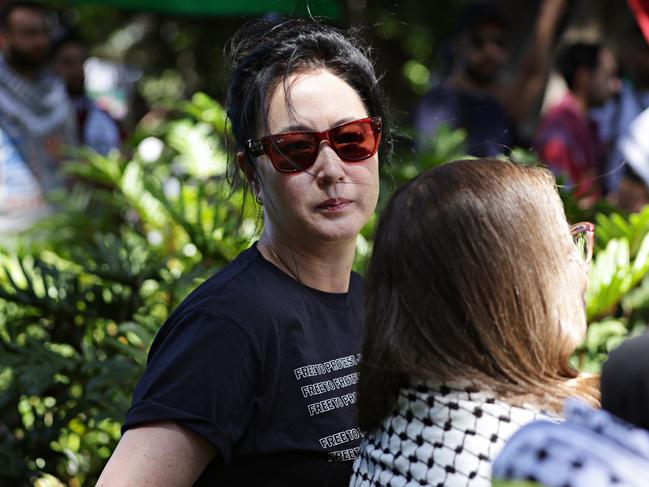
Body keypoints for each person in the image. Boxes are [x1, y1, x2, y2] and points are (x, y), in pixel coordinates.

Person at [97, 18, 390, 487]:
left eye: (351, 138)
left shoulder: (372, 302)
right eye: (295, 149)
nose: (331, 168)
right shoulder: (227, 324)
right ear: (252, 173)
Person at [350, 159, 599, 486]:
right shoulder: (541, 455)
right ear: (508, 290)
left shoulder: (386, 434)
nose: (583, 270)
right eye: (567, 252)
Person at [415, 0, 567, 157]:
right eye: (479, 41)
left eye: (499, 43)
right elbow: (433, 166)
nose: (490, 51)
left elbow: (535, 76)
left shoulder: (500, 106)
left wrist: (547, 17)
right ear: (460, 45)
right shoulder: (440, 102)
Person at [0, 0, 75, 199]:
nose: (41, 42)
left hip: (59, 218)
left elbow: (73, 160)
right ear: (3, 38)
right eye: (29, 34)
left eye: (44, 33)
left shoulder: (58, 92)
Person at [534, 42, 620, 199]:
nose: (616, 86)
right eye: (609, 76)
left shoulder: (589, 126)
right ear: (584, 77)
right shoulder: (558, 128)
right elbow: (559, 198)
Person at [50, 34, 120, 156]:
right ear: (53, 67)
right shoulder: (45, 114)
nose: (76, 70)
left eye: (81, 62)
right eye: (68, 63)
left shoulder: (100, 113)